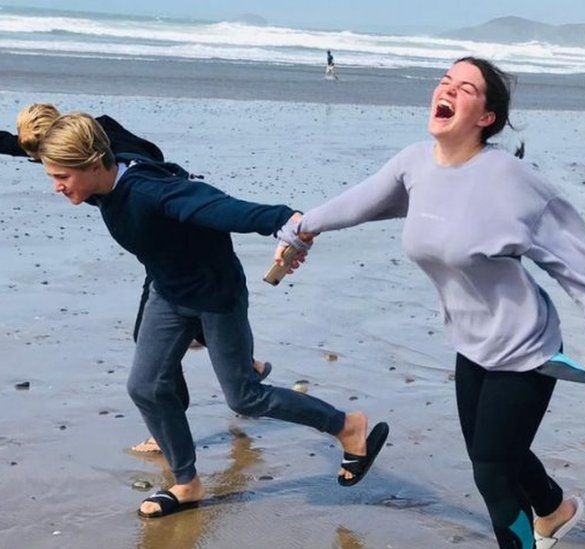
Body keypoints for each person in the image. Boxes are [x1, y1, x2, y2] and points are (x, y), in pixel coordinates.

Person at [277, 56, 585, 549]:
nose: (446, 89)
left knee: (490, 472)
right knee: (494, 453)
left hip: (527, 349)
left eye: (464, 87)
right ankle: (553, 511)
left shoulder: (513, 181)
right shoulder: (414, 164)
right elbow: (357, 203)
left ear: (486, 117)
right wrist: (300, 229)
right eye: (445, 80)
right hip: (470, 343)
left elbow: (579, 260)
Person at [36, 112, 389, 518]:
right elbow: (89, 130)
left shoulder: (153, 192)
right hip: (167, 293)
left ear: (95, 163)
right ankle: (186, 482)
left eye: (61, 176)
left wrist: (283, 220)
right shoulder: (103, 178)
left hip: (214, 296)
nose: (56, 187)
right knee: (146, 386)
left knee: (245, 397)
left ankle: (347, 426)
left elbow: (219, 207)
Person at [6, 103, 271, 455]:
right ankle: (186, 408)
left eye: (52, 167)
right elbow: (13, 144)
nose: (53, 178)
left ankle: (186, 408)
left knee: (171, 338)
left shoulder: (105, 157)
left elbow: (160, 167)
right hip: (157, 254)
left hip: (179, 246)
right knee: (154, 339)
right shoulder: (71, 154)